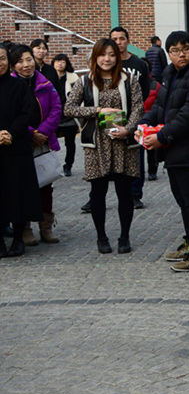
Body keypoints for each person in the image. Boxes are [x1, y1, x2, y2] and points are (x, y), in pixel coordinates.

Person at [139, 31, 189, 272]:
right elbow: (160, 106)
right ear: (168, 54)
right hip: (175, 147)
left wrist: (162, 136)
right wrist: (144, 124)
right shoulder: (170, 73)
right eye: (174, 50)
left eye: (186, 49)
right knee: (183, 199)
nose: (181, 54)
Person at [64, 38, 144, 255]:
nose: (106, 59)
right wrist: (97, 110)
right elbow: (69, 108)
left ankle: (124, 236)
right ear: (95, 57)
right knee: (98, 193)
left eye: (111, 54)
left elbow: (138, 108)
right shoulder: (85, 81)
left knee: (124, 192)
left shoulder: (129, 80)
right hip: (96, 143)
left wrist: (128, 129)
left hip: (123, 142)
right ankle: (101, 237)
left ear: (117, 57)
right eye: (102, 54)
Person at [10, 44, 62, 245]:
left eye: (28, 59)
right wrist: (32, 133)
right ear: (13, 66)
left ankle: (46, 226)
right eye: (20, 61)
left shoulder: (45, 83)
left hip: (43, 141)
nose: (26, 65)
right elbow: (14, 115)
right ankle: (25, 227)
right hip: (21, 142)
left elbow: (56, 108)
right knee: (23, 186)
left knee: (45, 185)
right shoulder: (11, 85)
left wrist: (44, 132)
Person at [0, 43, 42, 258]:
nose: (0, 63)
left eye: (2, 58)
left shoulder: (18, 86)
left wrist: (10, 133)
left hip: (16, 148)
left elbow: (28, 113)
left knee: (18, 195)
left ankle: (18, 238)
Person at [110, 26, 150, 210]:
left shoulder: (139, 64)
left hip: (135, 114)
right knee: (109, 155)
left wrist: (137, 112)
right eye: (115, 39)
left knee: (136, 155)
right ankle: (97, 195)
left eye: (121, 38)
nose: (118, 42)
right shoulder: (107, 63)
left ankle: (135, 194)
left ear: (128, 40)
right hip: (112, 114)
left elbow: (145, 89)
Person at [52, 53, 80, 176]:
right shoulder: (48, 77)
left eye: (62, 61)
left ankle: (68, 165)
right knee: (50, 143)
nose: (60, 64)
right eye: (57, 61)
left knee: (70, 143)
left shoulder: (73, 78)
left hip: (69, 116)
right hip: (54, 116)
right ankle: (51, 166)